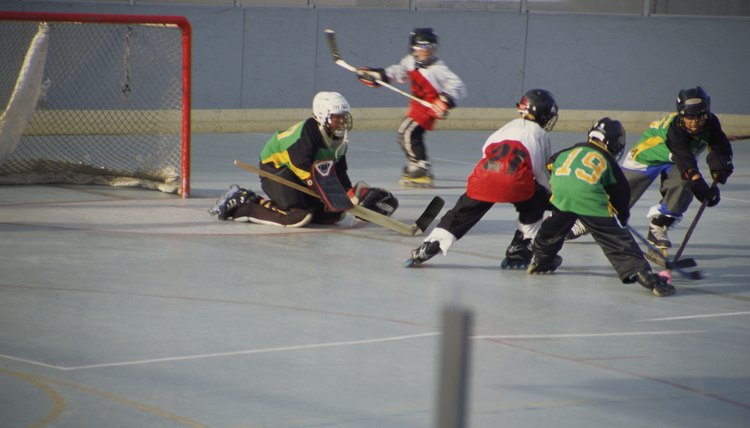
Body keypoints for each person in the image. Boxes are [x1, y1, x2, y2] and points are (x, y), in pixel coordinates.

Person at [406, 89, 557, 269]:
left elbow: (486, 150)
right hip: (515, 182)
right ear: (543, 115)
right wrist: (552, 195)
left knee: (462, 211)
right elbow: (540, 172)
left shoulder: (507, 127)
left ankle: (433, 243)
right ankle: (521, 247)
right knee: (536, 200)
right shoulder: (540, 134)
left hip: (484, 175)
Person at [567, 86, 733, 249]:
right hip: (647, 157)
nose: (695, 121)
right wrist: (702, 189)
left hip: (677, 162)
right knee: (621, 193)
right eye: (689, 116)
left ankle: (659, 225)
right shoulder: (674, 128)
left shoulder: (712, 124)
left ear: (707, 112)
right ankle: (587, 220)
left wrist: (720, 170)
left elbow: (720, 146)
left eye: (699, 115)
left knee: (683, 186)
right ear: (681, 114)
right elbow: (685, 160)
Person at [527, 118, 675, 297]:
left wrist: (566, 181)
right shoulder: (609, 162)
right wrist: (621, 216)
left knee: (553, 228)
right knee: (616, 240)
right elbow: (621, 194)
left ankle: (542, 259)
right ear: (613, 143)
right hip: (590, 202)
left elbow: (551, 163)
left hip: (562, 196)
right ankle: (646, 277)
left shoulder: (570, 149)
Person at [209, 91, 398, 227]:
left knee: (330, 215)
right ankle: (244, 203)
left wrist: (351, 196)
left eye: (343, 117)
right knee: (298, 216)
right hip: (276, 168)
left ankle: (270, 203)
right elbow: (300, 165)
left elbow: (339, 170)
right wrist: (330, 194)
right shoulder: (308, 131)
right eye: (336, 117)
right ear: (323, 116)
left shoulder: (340, 139)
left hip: (303, 172)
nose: (341, 121)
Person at [356, 27, 466, 188]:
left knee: (407, 132)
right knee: (407, 134)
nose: (425, 51)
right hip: (416, 105)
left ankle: (420, 165)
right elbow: (398, 73)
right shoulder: (409, 61)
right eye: (420, 47)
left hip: (429, 107)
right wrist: (378, 75)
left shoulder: (438, 68)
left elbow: (458, 86)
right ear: (413, 48)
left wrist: (445, 100)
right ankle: (418, 163)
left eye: (429, 47)